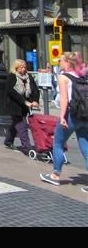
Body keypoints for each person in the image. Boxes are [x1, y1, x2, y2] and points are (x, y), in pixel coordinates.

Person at [40, 52, 88, 190]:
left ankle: (55, 175)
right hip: (85, 115)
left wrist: (62, 117)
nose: (58, 62)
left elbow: (64, 99)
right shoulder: (83, 76)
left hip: (71, 115)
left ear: (67, 62)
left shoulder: (63, 77)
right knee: (86, 147)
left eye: (60, 60)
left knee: (58, 143)